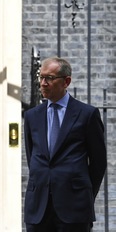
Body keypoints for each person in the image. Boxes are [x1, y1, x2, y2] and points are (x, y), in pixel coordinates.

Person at [24, 56, 107, 232]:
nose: (43, 83)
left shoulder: (87, 114)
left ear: (66, 81)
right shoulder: (32, 116)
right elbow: (32, 156)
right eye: (41, 77)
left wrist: (84, 195)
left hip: (75, 208)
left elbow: (98, 163)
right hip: (38, 207)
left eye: (50, 78)